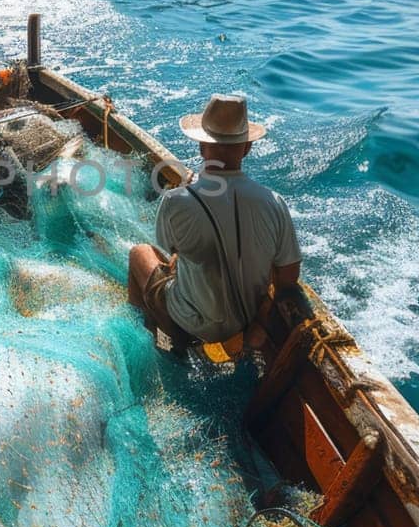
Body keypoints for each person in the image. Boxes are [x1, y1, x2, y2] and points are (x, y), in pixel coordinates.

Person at [128, 93, 301, 351]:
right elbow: (288, 278)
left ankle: (157, 337)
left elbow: (170, 254)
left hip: (192, 321)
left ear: (200, 146)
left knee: (139, 253)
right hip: (245, 320)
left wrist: (189, 189)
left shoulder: (176, 201)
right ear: (247, 148)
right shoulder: (273, 202)